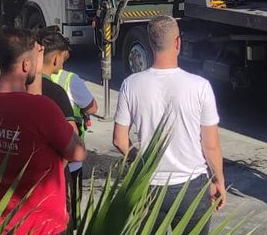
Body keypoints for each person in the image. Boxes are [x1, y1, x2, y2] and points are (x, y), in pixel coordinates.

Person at [113, 16, 225, 227]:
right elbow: (210, 146)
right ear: (178, 43)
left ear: (149, 42)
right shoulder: (200, 86)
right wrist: (218, 180)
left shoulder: (131, 84)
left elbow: (119, 140)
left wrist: (141, 161)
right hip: (190, 187)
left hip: (148, 186)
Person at [0, 27, 85, 235]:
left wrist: (34, 57)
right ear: (26, 65)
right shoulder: (42, 110)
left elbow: (27, 109)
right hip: (43, 226)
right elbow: (77, 153)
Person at [38, 28, 98, 224]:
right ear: (56, 58)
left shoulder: (27, 81)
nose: (64, 63)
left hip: (37, 165)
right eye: (64, 58)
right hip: (67, 165)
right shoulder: (68, 81)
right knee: (69, 214)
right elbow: (92, 106)